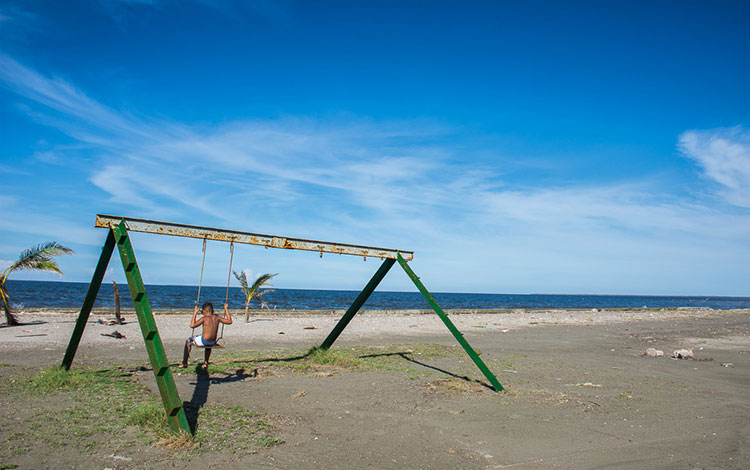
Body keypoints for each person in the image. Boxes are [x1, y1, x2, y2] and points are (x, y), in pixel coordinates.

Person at [180, 301, 232, 368]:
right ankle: (206, 362)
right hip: (213, 342)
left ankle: (184, 363)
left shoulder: (205, 318)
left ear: (204, 311)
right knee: (208, 345)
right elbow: (229, 321)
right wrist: (226, 309)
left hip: (204, 341)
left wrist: (195, 313)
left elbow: (192, 325)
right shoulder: (217, 317)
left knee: (188, 341)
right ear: (212, 310)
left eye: (202, 312)